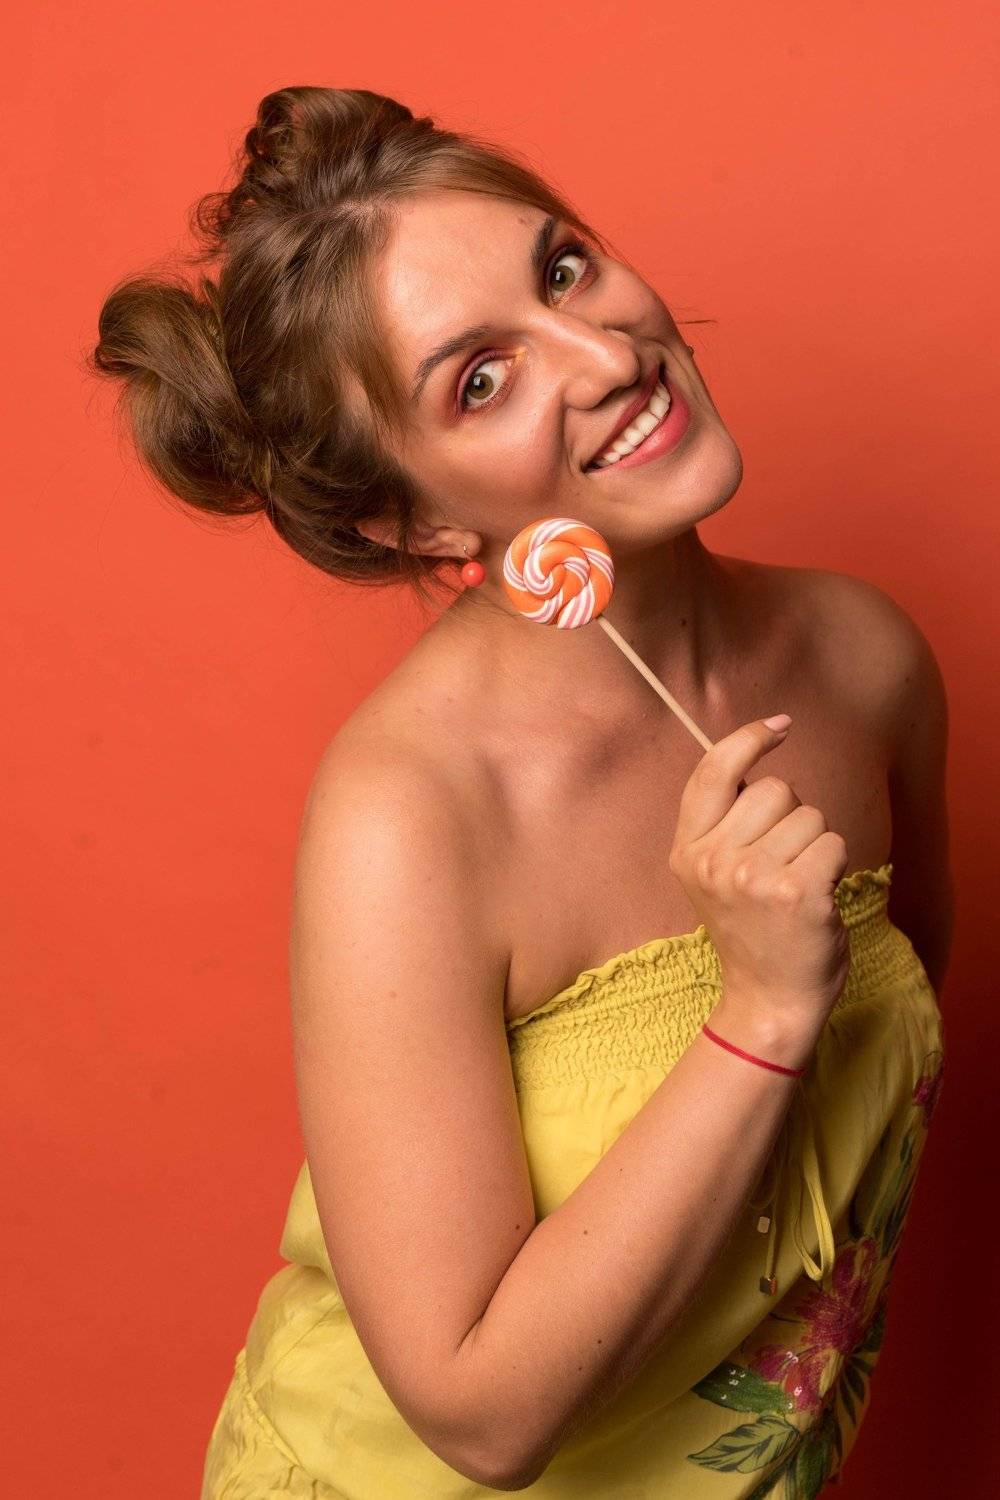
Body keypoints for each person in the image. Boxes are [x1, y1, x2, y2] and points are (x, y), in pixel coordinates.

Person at [92, 85, 953, 1498]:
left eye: (563, 269)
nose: (607, 354)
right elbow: (480, 1420)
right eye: (478, 381)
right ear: (417, 517)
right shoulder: (413, 812)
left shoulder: (868, 661)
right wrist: (758, 1014)